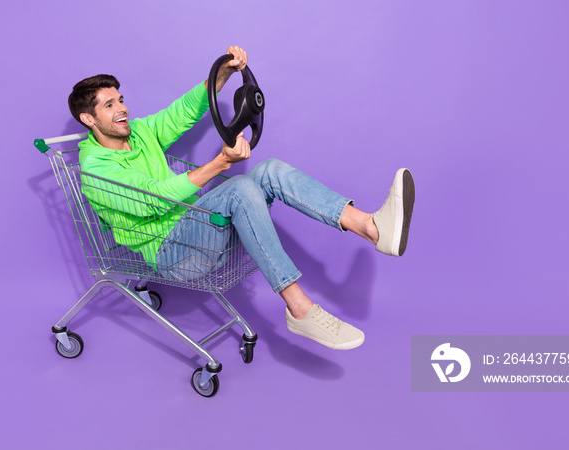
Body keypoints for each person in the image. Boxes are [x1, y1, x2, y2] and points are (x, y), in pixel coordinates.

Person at [68, 46, 415, 350]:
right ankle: (300, 308)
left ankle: (371, 227)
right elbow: (154, 199)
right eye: (110, 104)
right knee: (239, 187)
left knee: (270, 170)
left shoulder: (140, 131)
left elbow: (185, 111)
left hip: (199, 232)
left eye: (121, 99)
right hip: (172, 254)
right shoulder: (96, 170)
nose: (122, 109)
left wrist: (222, 74)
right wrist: (220, 163)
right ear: (89, 118)